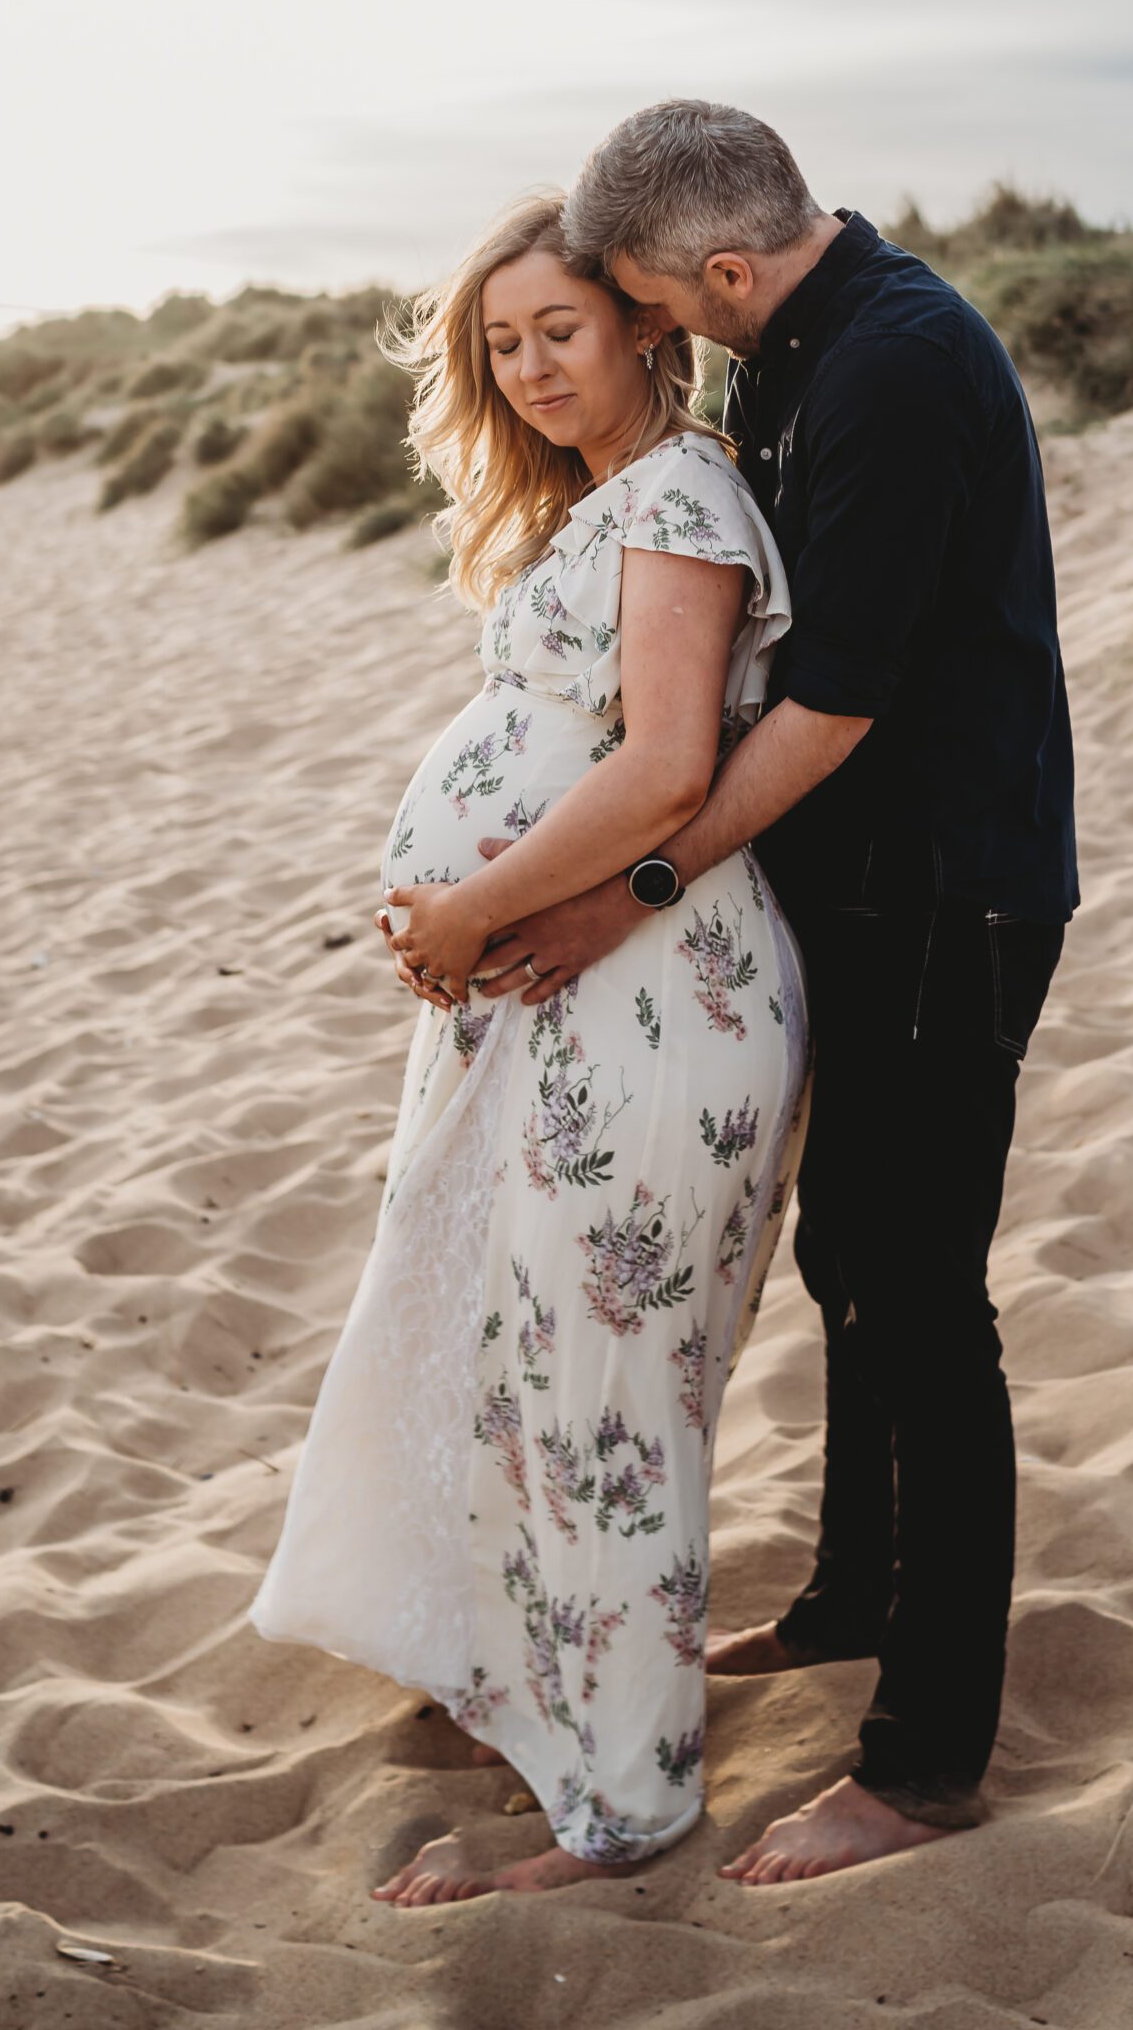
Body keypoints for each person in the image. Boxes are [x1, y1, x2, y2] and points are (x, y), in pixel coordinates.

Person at [394, 99, 1078, 1884]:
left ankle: (923, 1764)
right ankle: (855, 1596)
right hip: (855, 896)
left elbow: (833, 705)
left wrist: (634, 884)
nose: (645, 341)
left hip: (950, 898)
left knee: (924, 1301)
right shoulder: (803, 348)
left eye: (637, 305)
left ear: (716, 267)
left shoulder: (896, 369)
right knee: (854, 1256)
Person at [249, 189, 814, 1903]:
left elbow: (658, 774)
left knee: (608, 1399)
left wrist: (471, 906)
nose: (530, 366)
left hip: (655, 996)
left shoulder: (685, 500)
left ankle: (629, 1816)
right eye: (500, 345)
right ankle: (555, 1701)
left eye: (559, 328)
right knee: (531, 1368)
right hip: (572, 997)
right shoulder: (608, 503)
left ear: (648, 321)